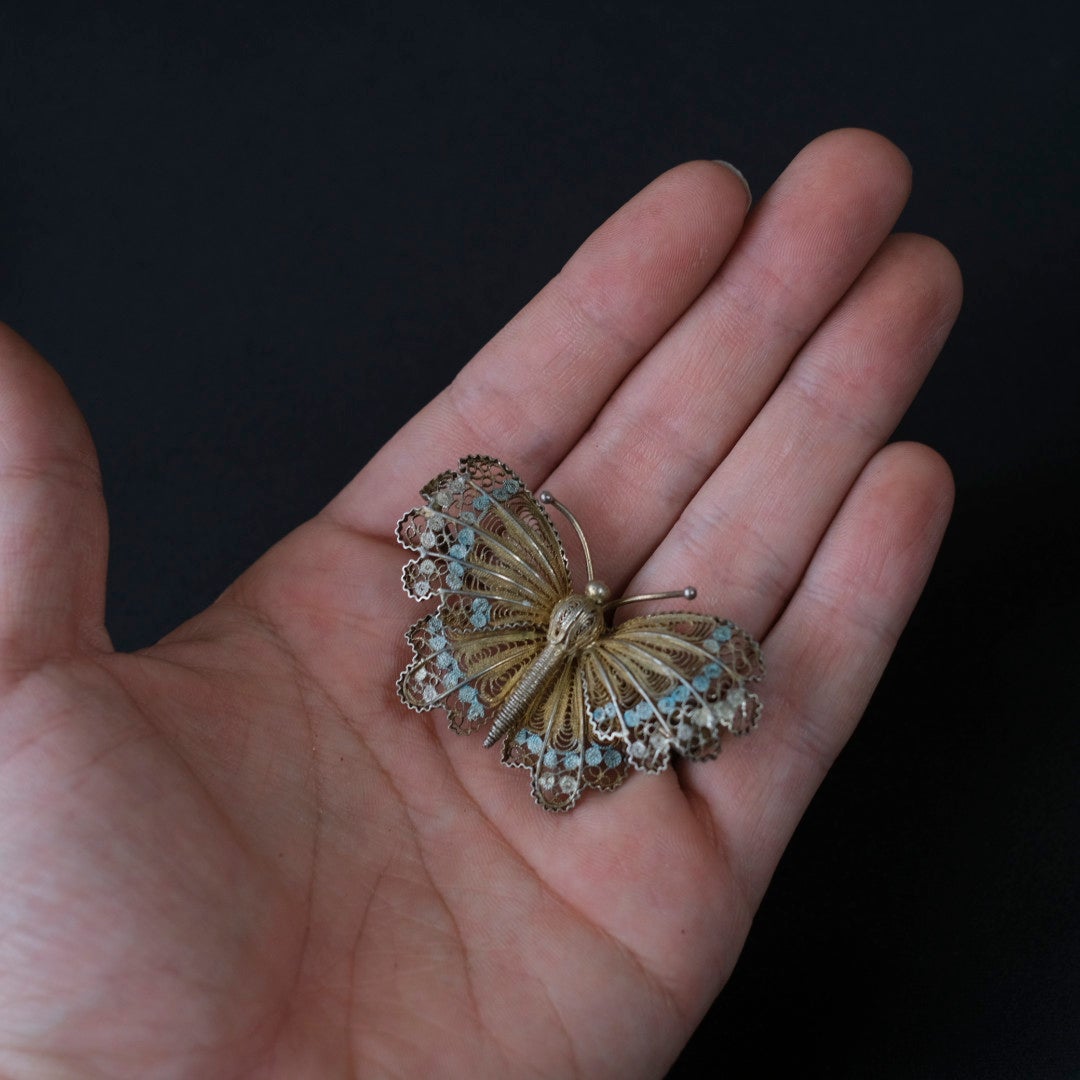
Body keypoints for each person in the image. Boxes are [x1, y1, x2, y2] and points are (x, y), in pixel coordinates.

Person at [0, 128, 960, 1076]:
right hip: (553, 713)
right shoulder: (602, 604)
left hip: (492, 666)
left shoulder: (545, 563)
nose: (591, 606)